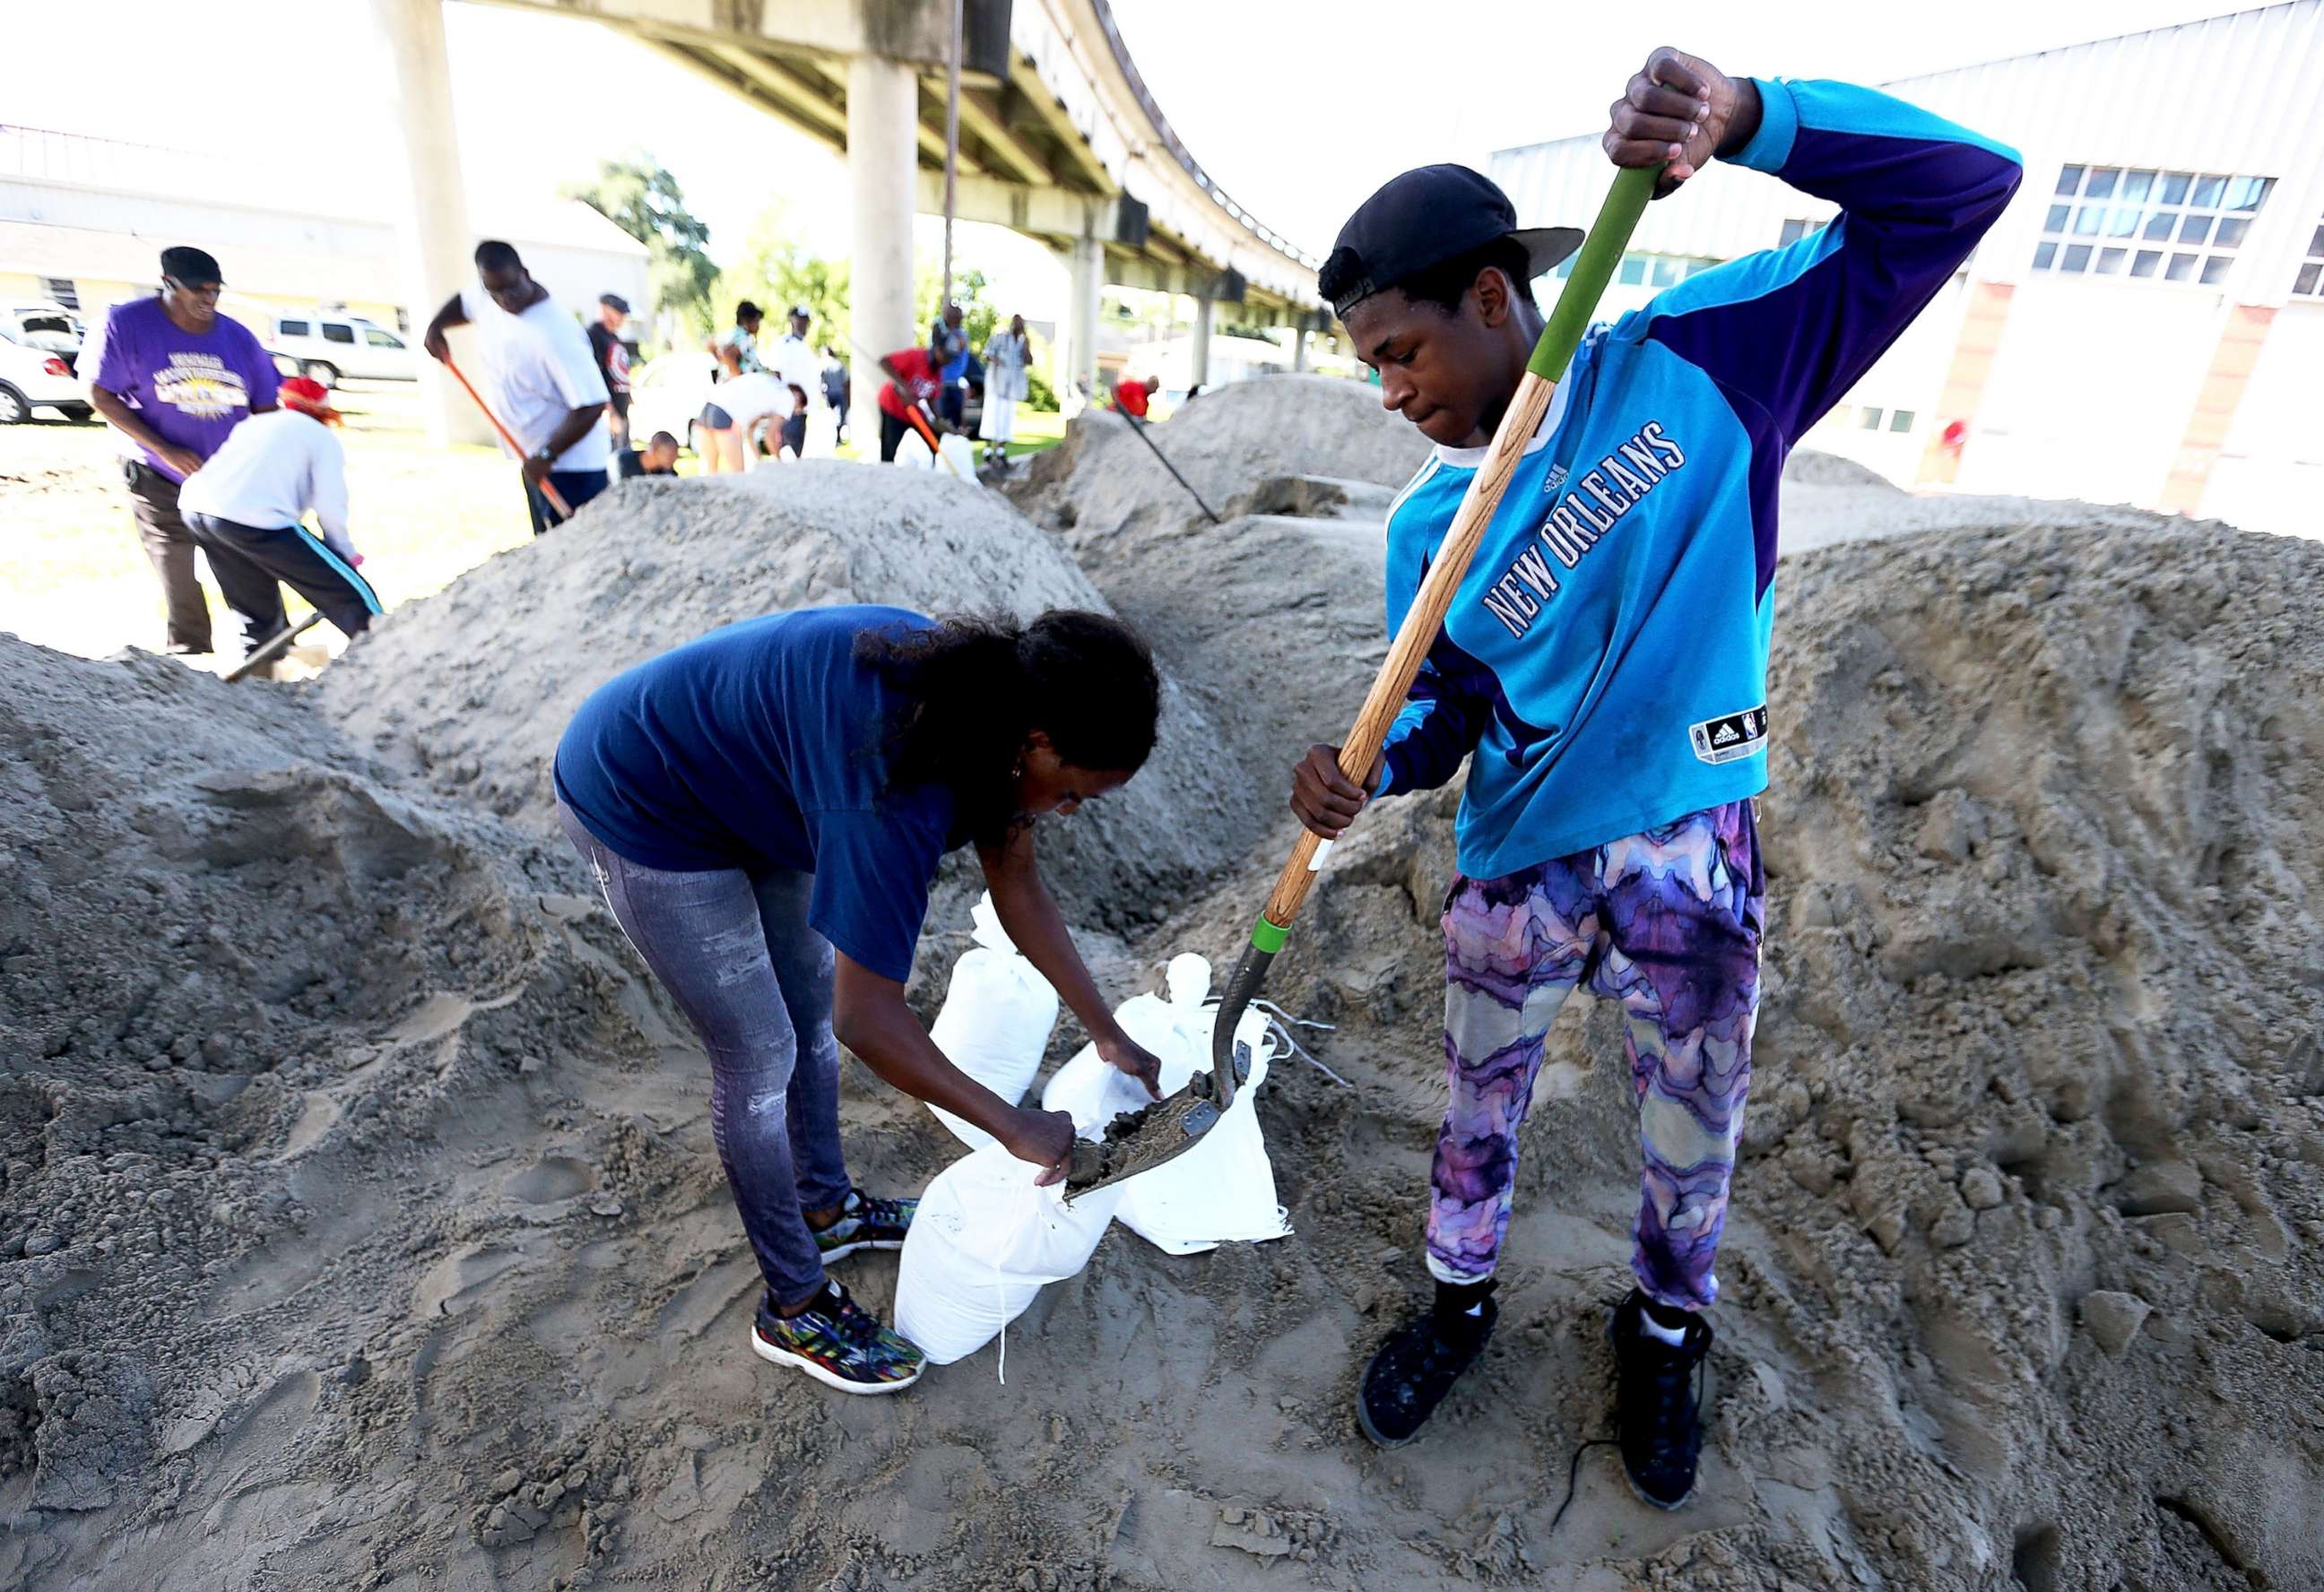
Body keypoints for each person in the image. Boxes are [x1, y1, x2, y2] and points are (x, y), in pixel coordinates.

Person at [1290, 48, 2019, 1506]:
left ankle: (1666, 1327)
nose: (1386, 393)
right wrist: (1364, 772)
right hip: (1519, 858)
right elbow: (1446, 719)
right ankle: (1458, 1298)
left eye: (1400, 353)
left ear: (1492, 301)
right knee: (1478, 1099)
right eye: (1369, 366)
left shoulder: (1708, 360)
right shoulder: (1428, 528)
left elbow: (1960, 191)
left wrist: (1754, 120)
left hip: (1692, 842)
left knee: (1696, 1108)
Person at [554, 607, 1167, 1391]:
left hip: (759, 787)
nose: (1067, 812)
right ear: (1035, 745)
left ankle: (825, 1208)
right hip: (643, 800)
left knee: (804, 1011)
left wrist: (1106, 1030)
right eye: (1074, 794)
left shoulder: (992, 712)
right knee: (760, 1055)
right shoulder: (894, 791)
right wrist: (1015, 1127)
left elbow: (1018, 883)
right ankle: (795, 1303)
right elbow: (869, 1019)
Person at [85, 245, 281, 656]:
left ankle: (268, 650)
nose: (208, 299)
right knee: (175, 562)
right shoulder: (126, 324)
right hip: (156, 470)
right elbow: (100, 393)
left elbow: (265, 407)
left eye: (215, 291)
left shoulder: (238, 338)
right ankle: (191, 654)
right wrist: (164, 449)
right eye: (198, 290)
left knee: (245, 559)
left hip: (227, 474)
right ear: (167, 284)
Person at [178, 376, 381, 672]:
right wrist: (345, 554)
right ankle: (386, 655)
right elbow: (330, 504)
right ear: (323, 413)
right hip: (256, 519)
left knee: (253, 605)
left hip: (198, 511)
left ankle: (261, 675)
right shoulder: (320, 436)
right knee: (350, 594)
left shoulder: (254, 424)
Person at [422, 241, 613, 536]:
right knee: (547, 547)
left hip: (573, 469)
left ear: (524, 273)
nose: (505, 299)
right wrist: (437, 326)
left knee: (581, 550)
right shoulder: (490, 295)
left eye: (511, 288)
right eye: (494, 291)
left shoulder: (557, 333)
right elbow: (466, 302)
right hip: (534, 460)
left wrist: (548, 456)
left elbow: (592, 405)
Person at [697, 348, 799, 474]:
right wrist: (781, 465)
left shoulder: (768, 389)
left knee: (709, 475)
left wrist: (759, 461)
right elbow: (770, 437)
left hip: (708, 408)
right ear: (798, 398)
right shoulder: (788, 398)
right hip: (723, 413)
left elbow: (750, 432)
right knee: (737, 475)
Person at [874, 333, 951, 463]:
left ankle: (934, 469)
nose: (949, 361)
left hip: (914, 412)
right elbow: (883, 361)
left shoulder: (938, 372)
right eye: (947, 356)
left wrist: (939, 419)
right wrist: (902, 385)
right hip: (893, 407)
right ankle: (886, 473)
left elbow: (932, 398)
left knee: (934, 440)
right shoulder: (915, 356)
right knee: (889, 449)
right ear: (938, 350)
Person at [765, 306, 819, 460]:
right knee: (788, 451)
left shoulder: (805, 347)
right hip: (789, 408)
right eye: (799, 320)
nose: (803, 324)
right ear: (791, 321)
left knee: (797, 452)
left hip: (803, 409)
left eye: (805, 321)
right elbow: (776, 374)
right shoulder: (783, 344)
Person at [980, 314, 1030, 466]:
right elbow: (988, 353)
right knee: (991, 416)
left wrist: (1027, 343)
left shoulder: (1022, 343)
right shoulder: (1000, 337)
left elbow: (1029, 360)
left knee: (1006, 418)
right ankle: (988, 449)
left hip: (1011, 388)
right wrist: (1000, 363)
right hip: (996, 384)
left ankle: (1001, 449)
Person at [588, 293, 633, 451]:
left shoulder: (613, 337)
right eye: (619, 312)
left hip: (622, 410)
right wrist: (609, 411)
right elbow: (594, 377)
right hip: (608, 415)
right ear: (605, 310)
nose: (622, 317)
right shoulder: (594, 335)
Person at [930, 303, 968, 428]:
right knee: (941, 423)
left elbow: (951, 350)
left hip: (951, 385)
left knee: (952, 424)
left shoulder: (959, 336)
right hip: (941, 384)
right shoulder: (942, 334)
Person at [715, 302, 765, 374]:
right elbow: (728, 354)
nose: (758, 326)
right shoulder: (743, 337)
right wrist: (738, 377)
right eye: (757, 321)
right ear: (746, 320)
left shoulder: (736, 334)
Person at [615, 430, 682, 480]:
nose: (674, 459)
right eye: (670, 455)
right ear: (654, 450)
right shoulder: (623, 462)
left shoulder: (667, 474)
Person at [819, 350, 851, 448]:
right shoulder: (839, 365)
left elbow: (820, 382)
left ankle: (830, 439)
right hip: (840, 393)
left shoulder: (822, 365)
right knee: (840, 417)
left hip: (828, 394)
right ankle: (837, 438)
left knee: (830, 417)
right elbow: (845, 381)